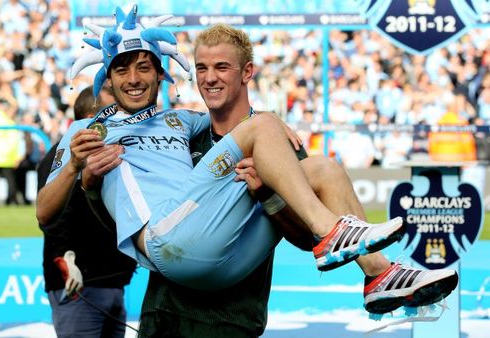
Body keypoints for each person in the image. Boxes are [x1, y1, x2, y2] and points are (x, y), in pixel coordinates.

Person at [38, 6, 457, 334]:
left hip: (228, 279)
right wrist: (77, 168)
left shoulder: (181, 122)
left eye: (143, 67)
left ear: (160, 74)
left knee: (324, 169)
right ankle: (334, 233)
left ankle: (378, 276)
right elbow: (44, 212)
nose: (133, 78)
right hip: (168, 249)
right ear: (107, 77)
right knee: (260, 128)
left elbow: (242, 119)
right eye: (122, 69)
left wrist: (271, 134)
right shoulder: (86, 128)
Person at [36, 85, 137, 338]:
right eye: (110, 113)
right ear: (92, 119)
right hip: (79, 286)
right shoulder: (59, 159)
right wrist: (64, 261)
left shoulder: (109, 153)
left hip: (113, 281)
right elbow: (53, 218)